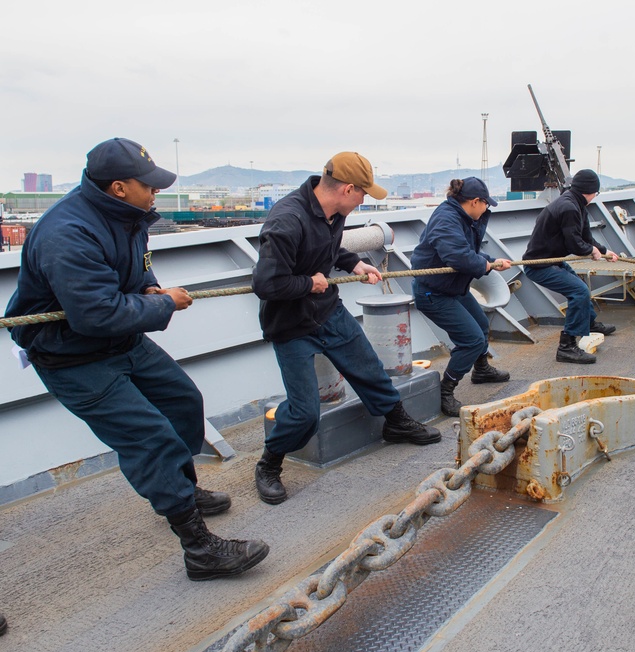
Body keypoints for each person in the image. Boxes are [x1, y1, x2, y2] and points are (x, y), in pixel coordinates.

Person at [4, 138, 269, 581]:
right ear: (119, 187)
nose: (156, 192)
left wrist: (149, 288)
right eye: (148, 185)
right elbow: (95, 314)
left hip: (120, 341)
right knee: (150, 439)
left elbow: (137, 269)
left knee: (183, 401)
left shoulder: (129, 217)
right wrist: (165, 305)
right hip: (72, 356)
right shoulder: (66, 234)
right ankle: (200, 549)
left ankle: (181, 490)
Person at [251, 151, 442, 505]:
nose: (364, 201)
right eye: (363, 194)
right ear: (348, 189)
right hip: (291, 325)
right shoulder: (287, 221)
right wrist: (309, 284)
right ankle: (269, 463)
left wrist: (355, 264)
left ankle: (396, 422)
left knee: (368, 367)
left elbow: (330, 247)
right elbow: (266, 284)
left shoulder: (332, 212)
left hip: (328, 312)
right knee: (305, 411)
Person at [410, 177, 513, 416]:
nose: (487, 209)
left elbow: (468, 251)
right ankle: (445, 391)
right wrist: (486, 266)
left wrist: (489, 261)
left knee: (481, 324)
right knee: (472, 340)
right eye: (486, 204)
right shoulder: (446, 219)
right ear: (475, 202)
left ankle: (481, 369)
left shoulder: (462, 216)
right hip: (433, 292)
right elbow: (457, 255)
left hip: (453, 287)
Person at [522, 169, 619, 364]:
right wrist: (591, 250)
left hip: (554, 260)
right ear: (591, 191)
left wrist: (604, 251)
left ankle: (589, 323)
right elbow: (575, 245)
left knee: (579, 286)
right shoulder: (569, 207)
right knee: (579, 291)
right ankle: (566, 347)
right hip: (539, 265)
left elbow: (585, 239)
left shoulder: (576, 204)